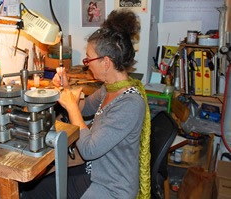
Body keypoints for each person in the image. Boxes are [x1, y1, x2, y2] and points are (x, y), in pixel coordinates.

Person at [21, 9, 148, 199]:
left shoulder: (130, 103)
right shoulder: (110, 88)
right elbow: (85, 108)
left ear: (106, 62)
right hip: (95, 171)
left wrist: (71, 106)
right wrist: (65, 89)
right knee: (35, 189)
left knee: (37, 192)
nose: (86, 63)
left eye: (89, 58)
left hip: (112, 186)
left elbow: (89, 150)